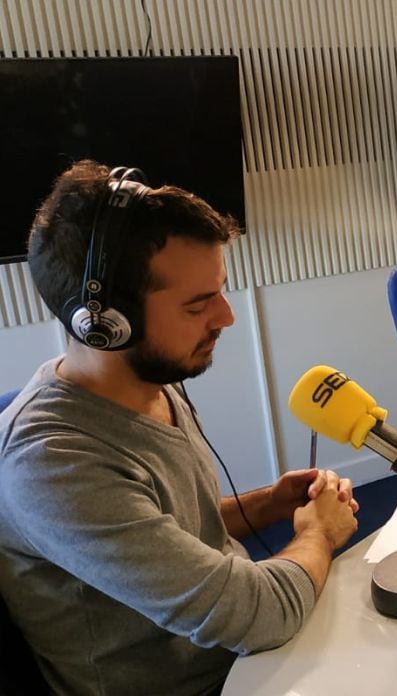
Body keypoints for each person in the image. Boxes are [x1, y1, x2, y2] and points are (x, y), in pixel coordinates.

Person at [0, 161, 360, 695]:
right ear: (105, 324)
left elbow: (170, 530)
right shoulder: (52, 462)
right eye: (198, 305)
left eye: (219, 291)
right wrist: (319, 533)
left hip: (244, 657)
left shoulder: (154, 380)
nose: (226, 317)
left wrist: (266, 504)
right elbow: (259, 615)